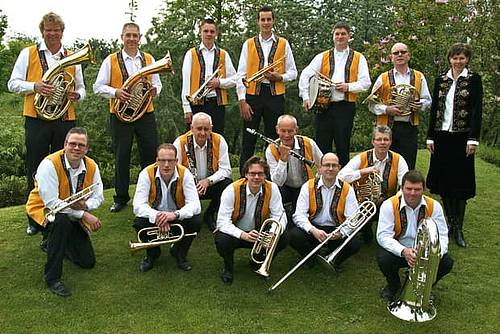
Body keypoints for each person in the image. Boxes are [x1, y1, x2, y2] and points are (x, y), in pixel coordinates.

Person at [8, 12, 86, 236]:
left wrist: (77, 96)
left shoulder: (73, 56)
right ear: (42, 31)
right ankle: (34, 217)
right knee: (35, 167)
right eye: (48, 30)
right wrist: (35, 87)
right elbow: (12, 83)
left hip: (64, 119)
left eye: (56, 30)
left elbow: (82, 89)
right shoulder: (28, 53)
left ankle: (65, 213)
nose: (52, 34)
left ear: (62, 32)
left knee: (66, 166)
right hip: (37, 120)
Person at [25, 127, 104, 297]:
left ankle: (51, 243)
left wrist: (86, 206)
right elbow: (52, 203)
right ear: (65, 144)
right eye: (73, 144)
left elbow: (99, 197)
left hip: (71, 214)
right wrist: (84, 215)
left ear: (86, 149)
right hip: (43, 211)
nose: (76, 148)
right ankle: (52, 278)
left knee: (87, 262)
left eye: (81, 145)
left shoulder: (91, 166)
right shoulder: (49, 164)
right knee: (60, 222)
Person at [94, 22, 162, 213]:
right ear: (122, 37)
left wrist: (156, 90)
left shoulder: (149, 58)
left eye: (135, 35)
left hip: (145, 114)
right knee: (121, 156)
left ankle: (150, 195)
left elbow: (157, 83)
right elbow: (98, 87)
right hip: (120, 116)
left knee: (149, 155)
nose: (132, 39)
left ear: (140, 38)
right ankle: (121, 197)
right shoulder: (110, 60)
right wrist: (116, 92)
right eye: (128, 35)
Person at [426, 43, 483, 248]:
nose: (458, 61)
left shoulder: (473, 80)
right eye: (455, 57)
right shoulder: (441, 79)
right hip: (442, 137)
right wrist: (430, 136)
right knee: (444, 182)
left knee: (461, 182)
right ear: (449, 59)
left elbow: (477, 110)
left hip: (462, 138)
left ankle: (458, 228)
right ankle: (450, 223)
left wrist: (473, 139)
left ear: (467, 59)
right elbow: (434, 109)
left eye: (462, 58)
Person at [298, 22, 370, 167]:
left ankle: (344, 180)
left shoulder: (358, 57)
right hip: (323, 107)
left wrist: (348, 87)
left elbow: (366, 83)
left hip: (345, 106)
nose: (340, 36)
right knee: (321, 146)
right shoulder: (322, 56)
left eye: (343, 34)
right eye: (337, 34)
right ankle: (322, 179)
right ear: (333, 37)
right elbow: (305, 75)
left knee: (343, 145)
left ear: (349, 36)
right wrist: (306, 97)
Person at [236, 6, 297, 174]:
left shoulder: (283, 43)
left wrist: (280, 77)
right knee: (248, 139)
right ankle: (244, 178)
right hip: (252, 95)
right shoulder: (248, 44)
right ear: (258, 22)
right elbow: (240, 74)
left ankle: (274, 178)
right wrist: (242, 100)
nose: (266, 22)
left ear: (273, 21)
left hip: (275, 96)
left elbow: (293, 72)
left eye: (269, 19)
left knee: (275, 139)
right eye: (262, 19)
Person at [376, 170, 453, 301]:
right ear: (402, 188)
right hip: (401, 250)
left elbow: (443, 235)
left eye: (417, 189)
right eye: (409, 189)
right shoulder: (389, 205)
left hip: (425, 253)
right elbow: (383, 235)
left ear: (423, 189)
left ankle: (425, 287)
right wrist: (404, 251)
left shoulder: (435, 206)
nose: (412, 193)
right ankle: (394, 286)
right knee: (384, 259)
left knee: (446, 263)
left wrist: (434, 256)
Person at [215, 156, 287, 284]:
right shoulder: (231, 189)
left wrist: (272, 235)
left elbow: (280, 216)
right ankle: (228, 268)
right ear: (246, 175)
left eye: (260, 174)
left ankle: (258, 262)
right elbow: (222, 222)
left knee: (283, 237)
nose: (256, 177)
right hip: (237, 233)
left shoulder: (272, 188)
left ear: (265, 176)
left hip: (260, 234)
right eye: (252, 173)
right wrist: (243, 235)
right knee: (222, 239)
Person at [132, 144, 201, 272]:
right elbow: (138, 205)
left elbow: (195, 205)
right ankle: (152, 254)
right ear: (157, 161)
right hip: (155, 217)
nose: (166, 165)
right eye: (162, 160)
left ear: (176, 161)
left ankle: (180, 253)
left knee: (195, 220)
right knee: (139, 222)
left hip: (176, 216)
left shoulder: (185, 174)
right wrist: (158, 216)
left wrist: (175, 215)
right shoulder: (146, 174)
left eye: (170, 160)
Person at [290, 153, 360, 272]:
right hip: (314, 229)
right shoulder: (308, 186)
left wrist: (341, 233)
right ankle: (310, 257)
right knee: (293, 235)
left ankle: (335, 260)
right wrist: (313, 230)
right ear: (320, 168)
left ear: (339, 168)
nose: (330, 169)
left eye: (334, 165)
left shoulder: (348, 189)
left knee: (355, 243)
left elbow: (353, 219)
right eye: (327, 165)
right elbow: (299, 215)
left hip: (336, 229)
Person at [338, 125, 409, 243]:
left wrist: (395, 200)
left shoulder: (398, 159)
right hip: (363, 204)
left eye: (386, 139)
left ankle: (393, 232)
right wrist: (363, 171)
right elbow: (340, 177)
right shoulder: (362, 157)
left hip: (388, 202)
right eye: (379, 139)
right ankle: (365, 229)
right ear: (373, 141)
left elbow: (405, 185)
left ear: (390, 142)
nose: (382, 143)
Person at [367, 42, 432, 169]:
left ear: (409, 56)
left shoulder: (419, 76)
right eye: (396, 53)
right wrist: (387, 109)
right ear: (391, 57)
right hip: (386, 128)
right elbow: (371, 104)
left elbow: (428, 100)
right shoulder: (383, 77)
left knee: (408, 164)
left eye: (403, 52)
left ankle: (406, 188)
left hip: (409, 127)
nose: (400, 55)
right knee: (385, 164)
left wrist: (420, 105)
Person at [173, 112, 232, 231]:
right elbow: (175, 172)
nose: (203, 133)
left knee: (227, 184)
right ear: (191, 128)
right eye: (199, 129)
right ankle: (183, 217)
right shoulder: (180, 143)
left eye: (206, 129)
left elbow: (226, 170)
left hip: (208, 185)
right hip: (187, 187)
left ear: (211, 129)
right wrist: (189, 185)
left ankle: (210, 214)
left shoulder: (219, 140)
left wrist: (208, 181)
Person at [181, 18, 237, 135]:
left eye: (212, 31)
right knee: (193, 138)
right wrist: (186, 108)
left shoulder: (223, 54)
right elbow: (186, 82)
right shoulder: (191, 54)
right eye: (205, 31)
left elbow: (235, 79)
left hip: (216, 104)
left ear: (216, 34)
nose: (209, 34)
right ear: (200, 33)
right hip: (195, 104)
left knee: (216, 137)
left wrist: (220, 83)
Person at [265, 114, 322, 211]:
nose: (286, 135)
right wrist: (283, 160)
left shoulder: (308, 143)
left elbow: (322, 164)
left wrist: (317, 180)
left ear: (296, 130)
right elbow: (277, 182)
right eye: (283, 131)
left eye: (290, 131)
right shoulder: (271, 149)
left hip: (306, 186)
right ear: (277, 130)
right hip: (284, 188)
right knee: (273, 193)